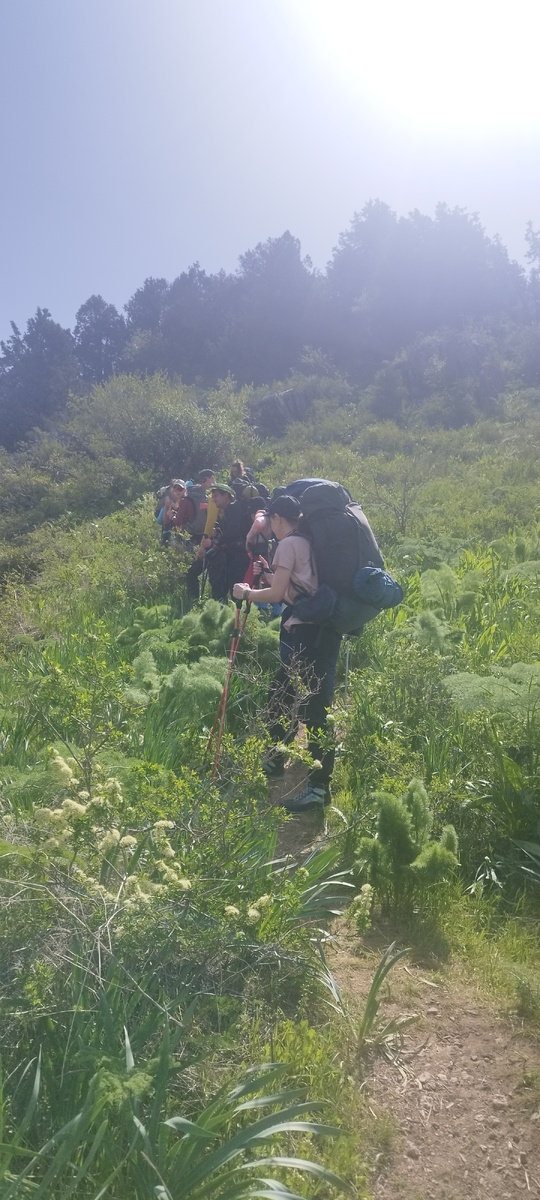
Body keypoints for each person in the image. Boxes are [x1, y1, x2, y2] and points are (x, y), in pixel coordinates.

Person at [233, 494, 342, 812]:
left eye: (272, 523)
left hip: (307, 633)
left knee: (312, 706)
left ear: (279, 519)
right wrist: (267, 573)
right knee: (283, 695)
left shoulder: (290, 544)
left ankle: (319, 788)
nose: (271, 530)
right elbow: (293, 589)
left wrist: (247, 591)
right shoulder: (305, 542)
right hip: (314, 629)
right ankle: (278, 759)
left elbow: (278, 595)